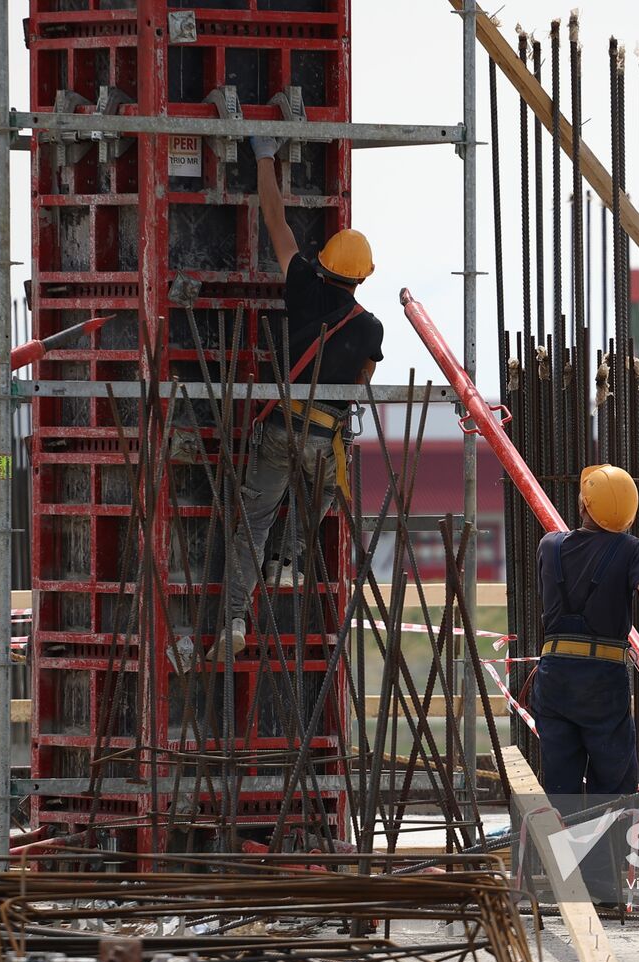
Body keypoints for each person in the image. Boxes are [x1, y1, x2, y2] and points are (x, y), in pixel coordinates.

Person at [217, 93, 383, 657]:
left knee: (252, 522)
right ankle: (286, 566)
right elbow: (359, 382)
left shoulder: (302, 286)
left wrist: (265, 157)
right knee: (317, 497)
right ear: (363, 277)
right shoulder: (371, 327)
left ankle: (235, 621)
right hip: (322, 439)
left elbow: (276, 222)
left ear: (327, 263)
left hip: (280, 428)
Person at [531, 464, 639, 798]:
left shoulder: (549, 546)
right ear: (629, 515)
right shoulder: (632, 550)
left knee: (561, 791)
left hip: (553, 677)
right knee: (613, 788)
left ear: (584, 505)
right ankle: (608, 849)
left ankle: (562, 848)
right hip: (602, 682)